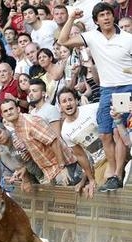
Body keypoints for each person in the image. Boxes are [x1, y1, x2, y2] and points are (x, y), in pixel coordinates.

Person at [58, 3, 132, 191]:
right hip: (107, 89)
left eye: (108, 14)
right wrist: (72, 17)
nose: (106, 18)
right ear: (96, 20)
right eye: (102, 15)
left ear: (113, 17)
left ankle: (116, 174)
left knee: (117, 131)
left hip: (125, 88)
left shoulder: (128, 38)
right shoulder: (91, 37)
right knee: (105, 133)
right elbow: (63, 41)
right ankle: (113, 171)